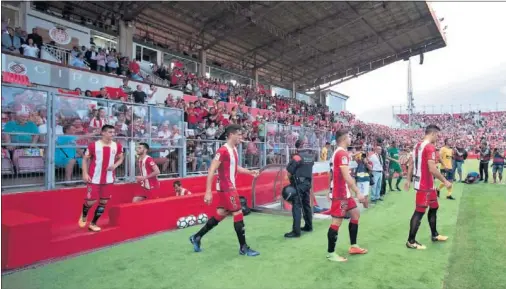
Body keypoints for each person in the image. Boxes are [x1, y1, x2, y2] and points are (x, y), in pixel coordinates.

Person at [190, 124, 260, 257]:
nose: (241, 137)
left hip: (227, 187)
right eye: (239, 134)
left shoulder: (233, 149)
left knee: (221, 213)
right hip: (227, 188)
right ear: (231, 135)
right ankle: (243, 248)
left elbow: (236, 167)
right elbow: (211, 169)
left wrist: (250, 172)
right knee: (238, 213)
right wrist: (208, 191)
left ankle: (197, 237)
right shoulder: (222, 150)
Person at [404, 125, 452, 249]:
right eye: (438, 135)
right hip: (424, 185)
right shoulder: (429, 147)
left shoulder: (417, 145)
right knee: (419, 212)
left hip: (427, 185)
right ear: (433, 134)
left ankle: (434, 234)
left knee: (434, 207)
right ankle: (411, 241)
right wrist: (445, 181)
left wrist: (408, 180)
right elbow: (432, 169)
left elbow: (410, 164)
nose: (438, 138)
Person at [327, 129, 368, 262]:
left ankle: (353, 246)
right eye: (349, 136)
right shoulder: (342, 153)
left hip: (345, 192)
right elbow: (346, 176)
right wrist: (358, 191)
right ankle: (331, 253)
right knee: (336, 222)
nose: (351, 138)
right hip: (341, 194)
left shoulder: (340, 153)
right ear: (344, 138)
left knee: (355, 213)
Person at [79, 125, 124, 232]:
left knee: (103, 202)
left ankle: (93, 223)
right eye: (109, 132)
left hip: (108, 179)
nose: (112, 134)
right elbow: (85, 160)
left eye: (113, 132)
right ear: (103, 133)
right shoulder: (93, 145)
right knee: (91, 201)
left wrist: (115, 165)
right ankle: (84, 213)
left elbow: (121, 157)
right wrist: (85, 174)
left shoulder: (117, 146)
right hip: (94, 178)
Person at [284, 139, 314, 238]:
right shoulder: (311, 156)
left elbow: (289, 172)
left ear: (297, 147)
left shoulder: (297, 157)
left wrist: (291, 182)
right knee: (306, 205)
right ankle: (308, 226)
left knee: (296, 206)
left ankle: (296, 231)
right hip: (307, 183)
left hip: (298, 184)